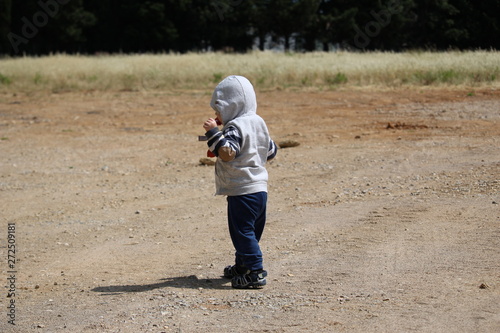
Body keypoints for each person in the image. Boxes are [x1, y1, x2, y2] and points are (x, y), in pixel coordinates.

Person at [203, 75, 278, 289]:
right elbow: (271, 152)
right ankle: (242, 266)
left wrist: (213, 134)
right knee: (250, 232)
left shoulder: (235, 126)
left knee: (242, 232)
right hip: (260, 190)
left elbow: (228, 153)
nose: (217, 114)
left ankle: (256, 272)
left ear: (232, 105)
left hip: (242, 190)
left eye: (219, 109)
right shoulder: (258, 123)